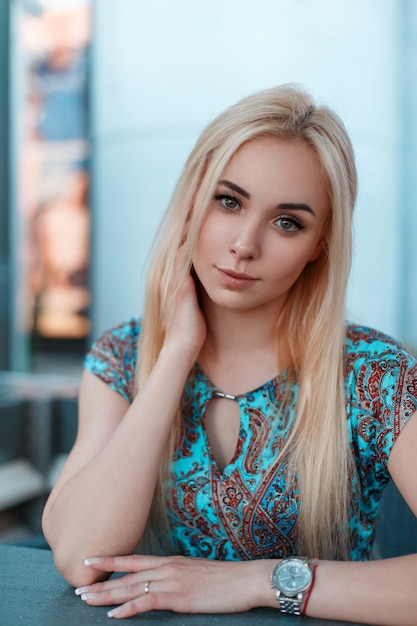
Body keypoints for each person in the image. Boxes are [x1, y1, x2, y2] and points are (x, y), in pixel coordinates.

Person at [42, 84, 417, 624]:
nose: (245, 243)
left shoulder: (374, 375)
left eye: (288, 221)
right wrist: (176, 352)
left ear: (320, 245)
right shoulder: (123, 357)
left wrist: (261, 581)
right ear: (193, 200)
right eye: (229, 201)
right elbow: (80, 558)